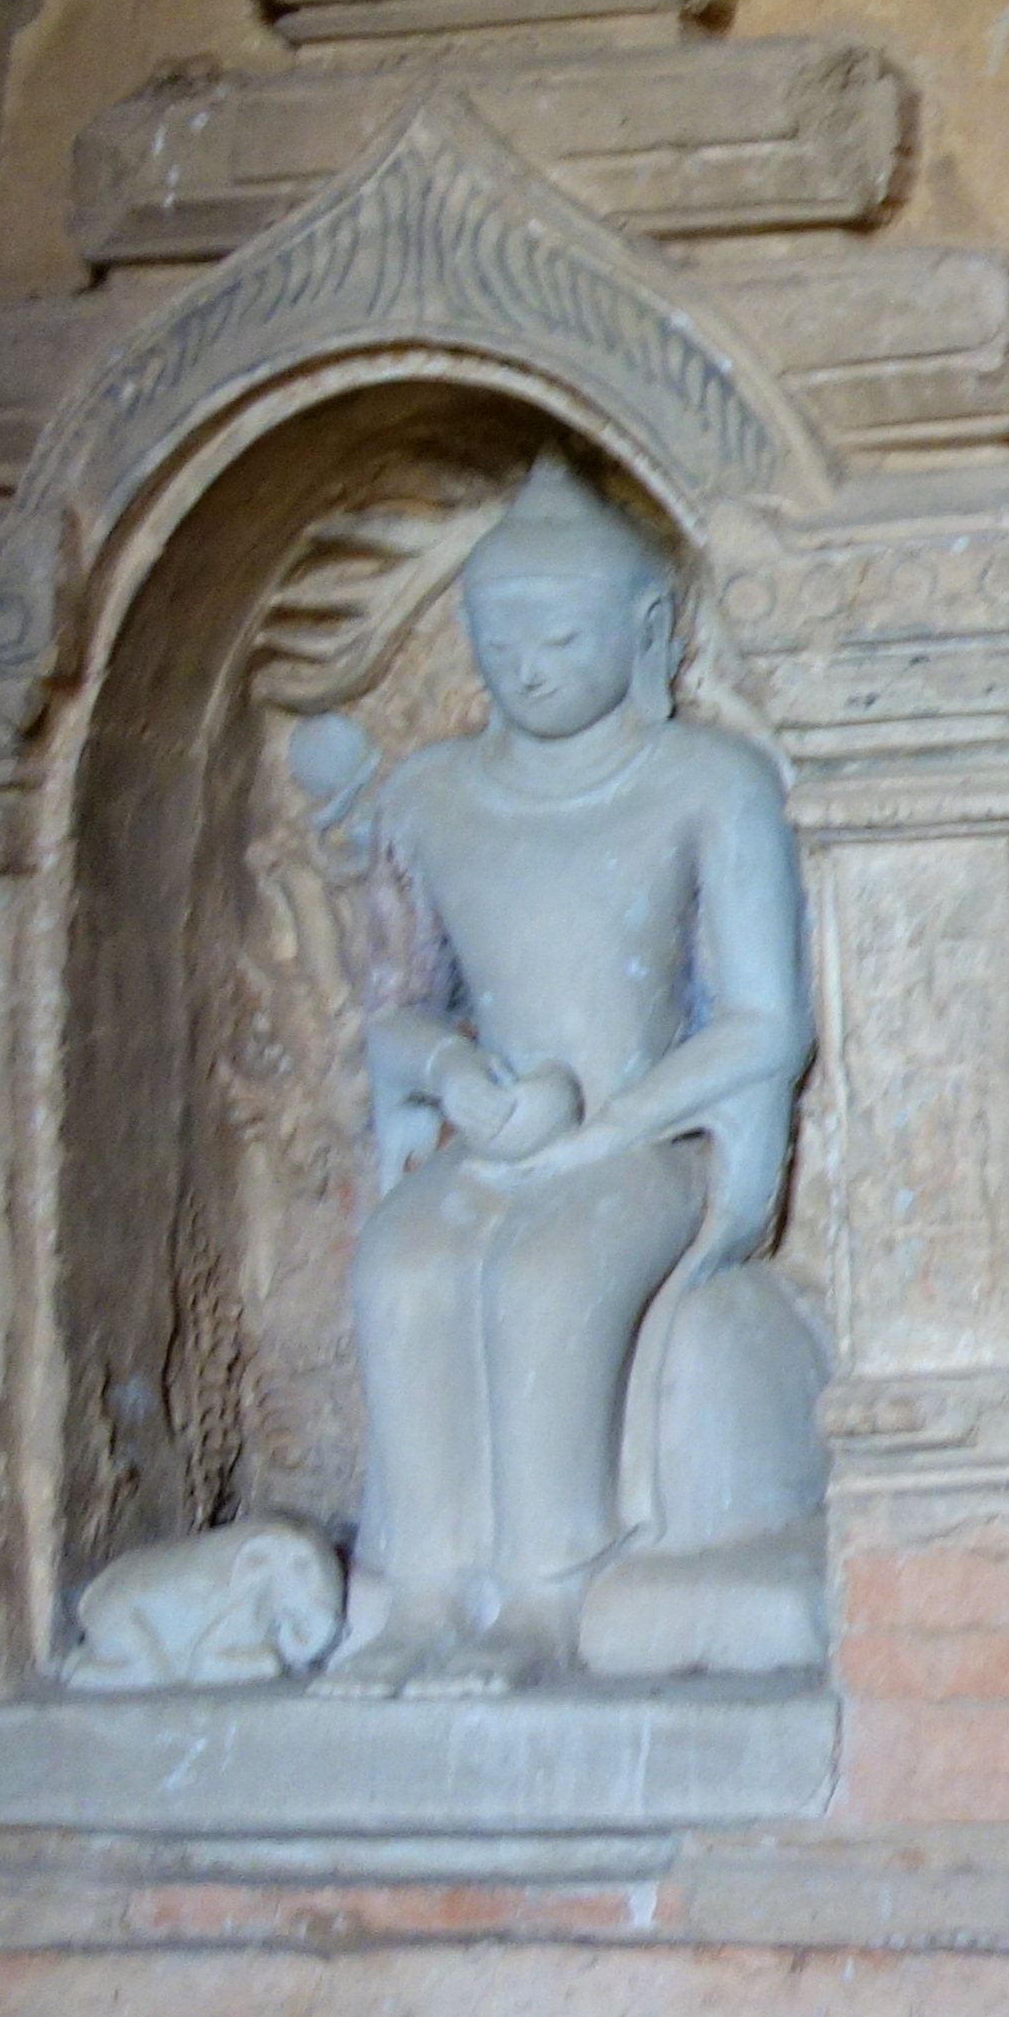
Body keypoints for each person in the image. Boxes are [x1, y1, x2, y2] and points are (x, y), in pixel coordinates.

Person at [312, 457, 809, 1692]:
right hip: (494, 1138)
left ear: (647, 630)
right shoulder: (428, 796)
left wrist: (607, 1130)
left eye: (561, 636)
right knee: (402, 1268)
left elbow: (762, 1023)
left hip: (643, 1144)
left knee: (542, 1282)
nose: (527, 667)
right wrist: (455, 1075)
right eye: (500, 640)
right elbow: (394, 1009)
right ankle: (424, 1595)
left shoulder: (710, 783)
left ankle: (542, 1597)